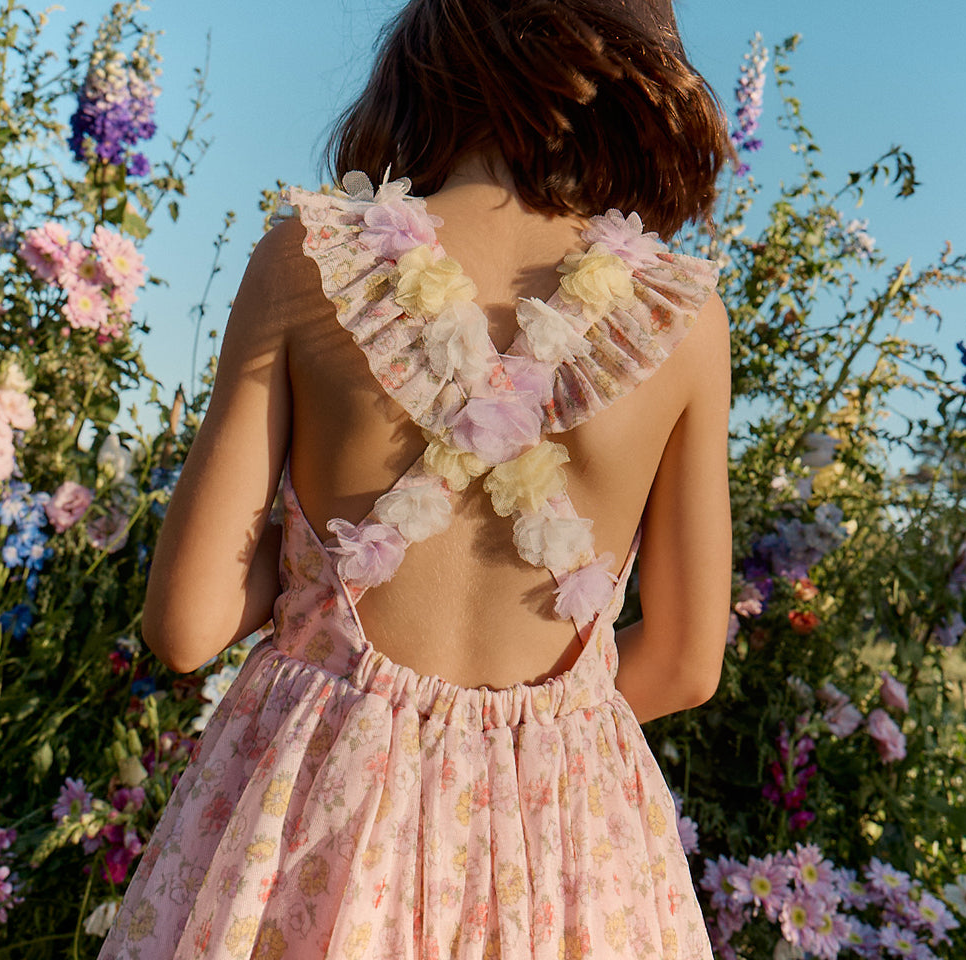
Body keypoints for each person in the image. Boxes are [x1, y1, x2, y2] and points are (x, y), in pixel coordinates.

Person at [99, 0, 733, 955]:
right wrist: (520, 748)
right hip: (567, 848)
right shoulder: (685, 321)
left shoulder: (304, 263)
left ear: (437, 45)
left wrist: (316, 572)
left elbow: (186, 624)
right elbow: (687, 662)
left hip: (320, 816)